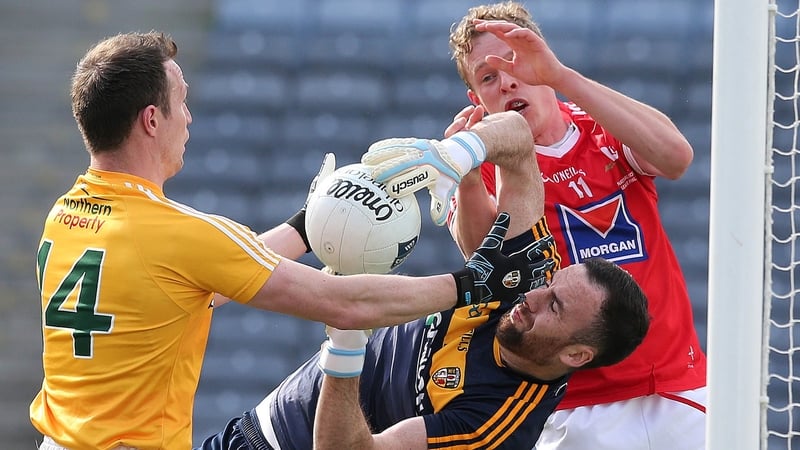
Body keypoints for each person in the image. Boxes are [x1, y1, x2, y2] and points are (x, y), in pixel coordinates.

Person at [30, 31, 549, 450]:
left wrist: (308, 226)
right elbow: (343, 304)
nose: (188, 117)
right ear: (150, 120)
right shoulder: (178, 234)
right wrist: (469, 285)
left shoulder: (65, 215)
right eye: (181, 103)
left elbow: (201, 279)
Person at [363, 2, 707, 449]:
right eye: (487, 78)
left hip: (673, 387)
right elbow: (485, 262)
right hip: (570, 408)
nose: (505, 82)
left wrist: (561, 76)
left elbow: (676, 157)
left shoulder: (603, 129)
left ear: (540, 59)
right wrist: (466, 176)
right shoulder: (473, 169)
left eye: (514, 64)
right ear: (477, 100)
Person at [197, 122, 650, 449]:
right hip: (250, 427)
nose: (533, 297)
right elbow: (516, 137)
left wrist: (347, 344)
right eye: (549, 285)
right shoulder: (525, 277)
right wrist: (458, 154)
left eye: (555, 307)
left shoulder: (492, 424)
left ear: (576, 355)